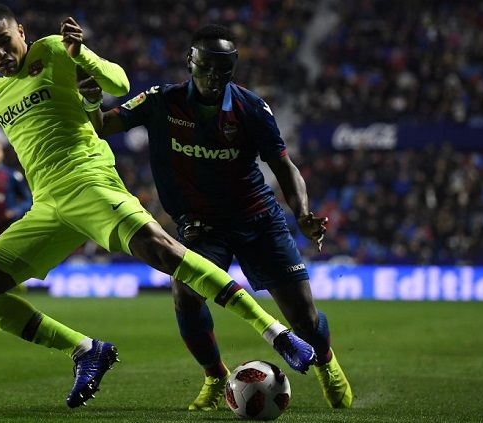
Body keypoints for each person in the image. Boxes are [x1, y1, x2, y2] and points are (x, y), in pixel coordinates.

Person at [0, 4, 314, 409]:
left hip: (88, 183)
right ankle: (87, 350)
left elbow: (118, 84)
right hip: (48, 206)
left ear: (21, 33)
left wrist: (86, 57)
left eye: (5, 41)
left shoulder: (55, 50)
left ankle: (276, 334)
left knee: (166, 255)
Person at [79, 24, 353, 410]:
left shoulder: (252, 109)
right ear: (190, 61)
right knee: (185, 293)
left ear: (232, 69)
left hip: (258, 220)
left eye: (222, 70)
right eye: (205, 66)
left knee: (304, 320)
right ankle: (215, 376)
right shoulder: (161, 101)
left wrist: (303, 213)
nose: (212, 77)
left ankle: (326, 362)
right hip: (203, 226)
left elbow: (284, 165)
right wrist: (92, 102)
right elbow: (104, 125)